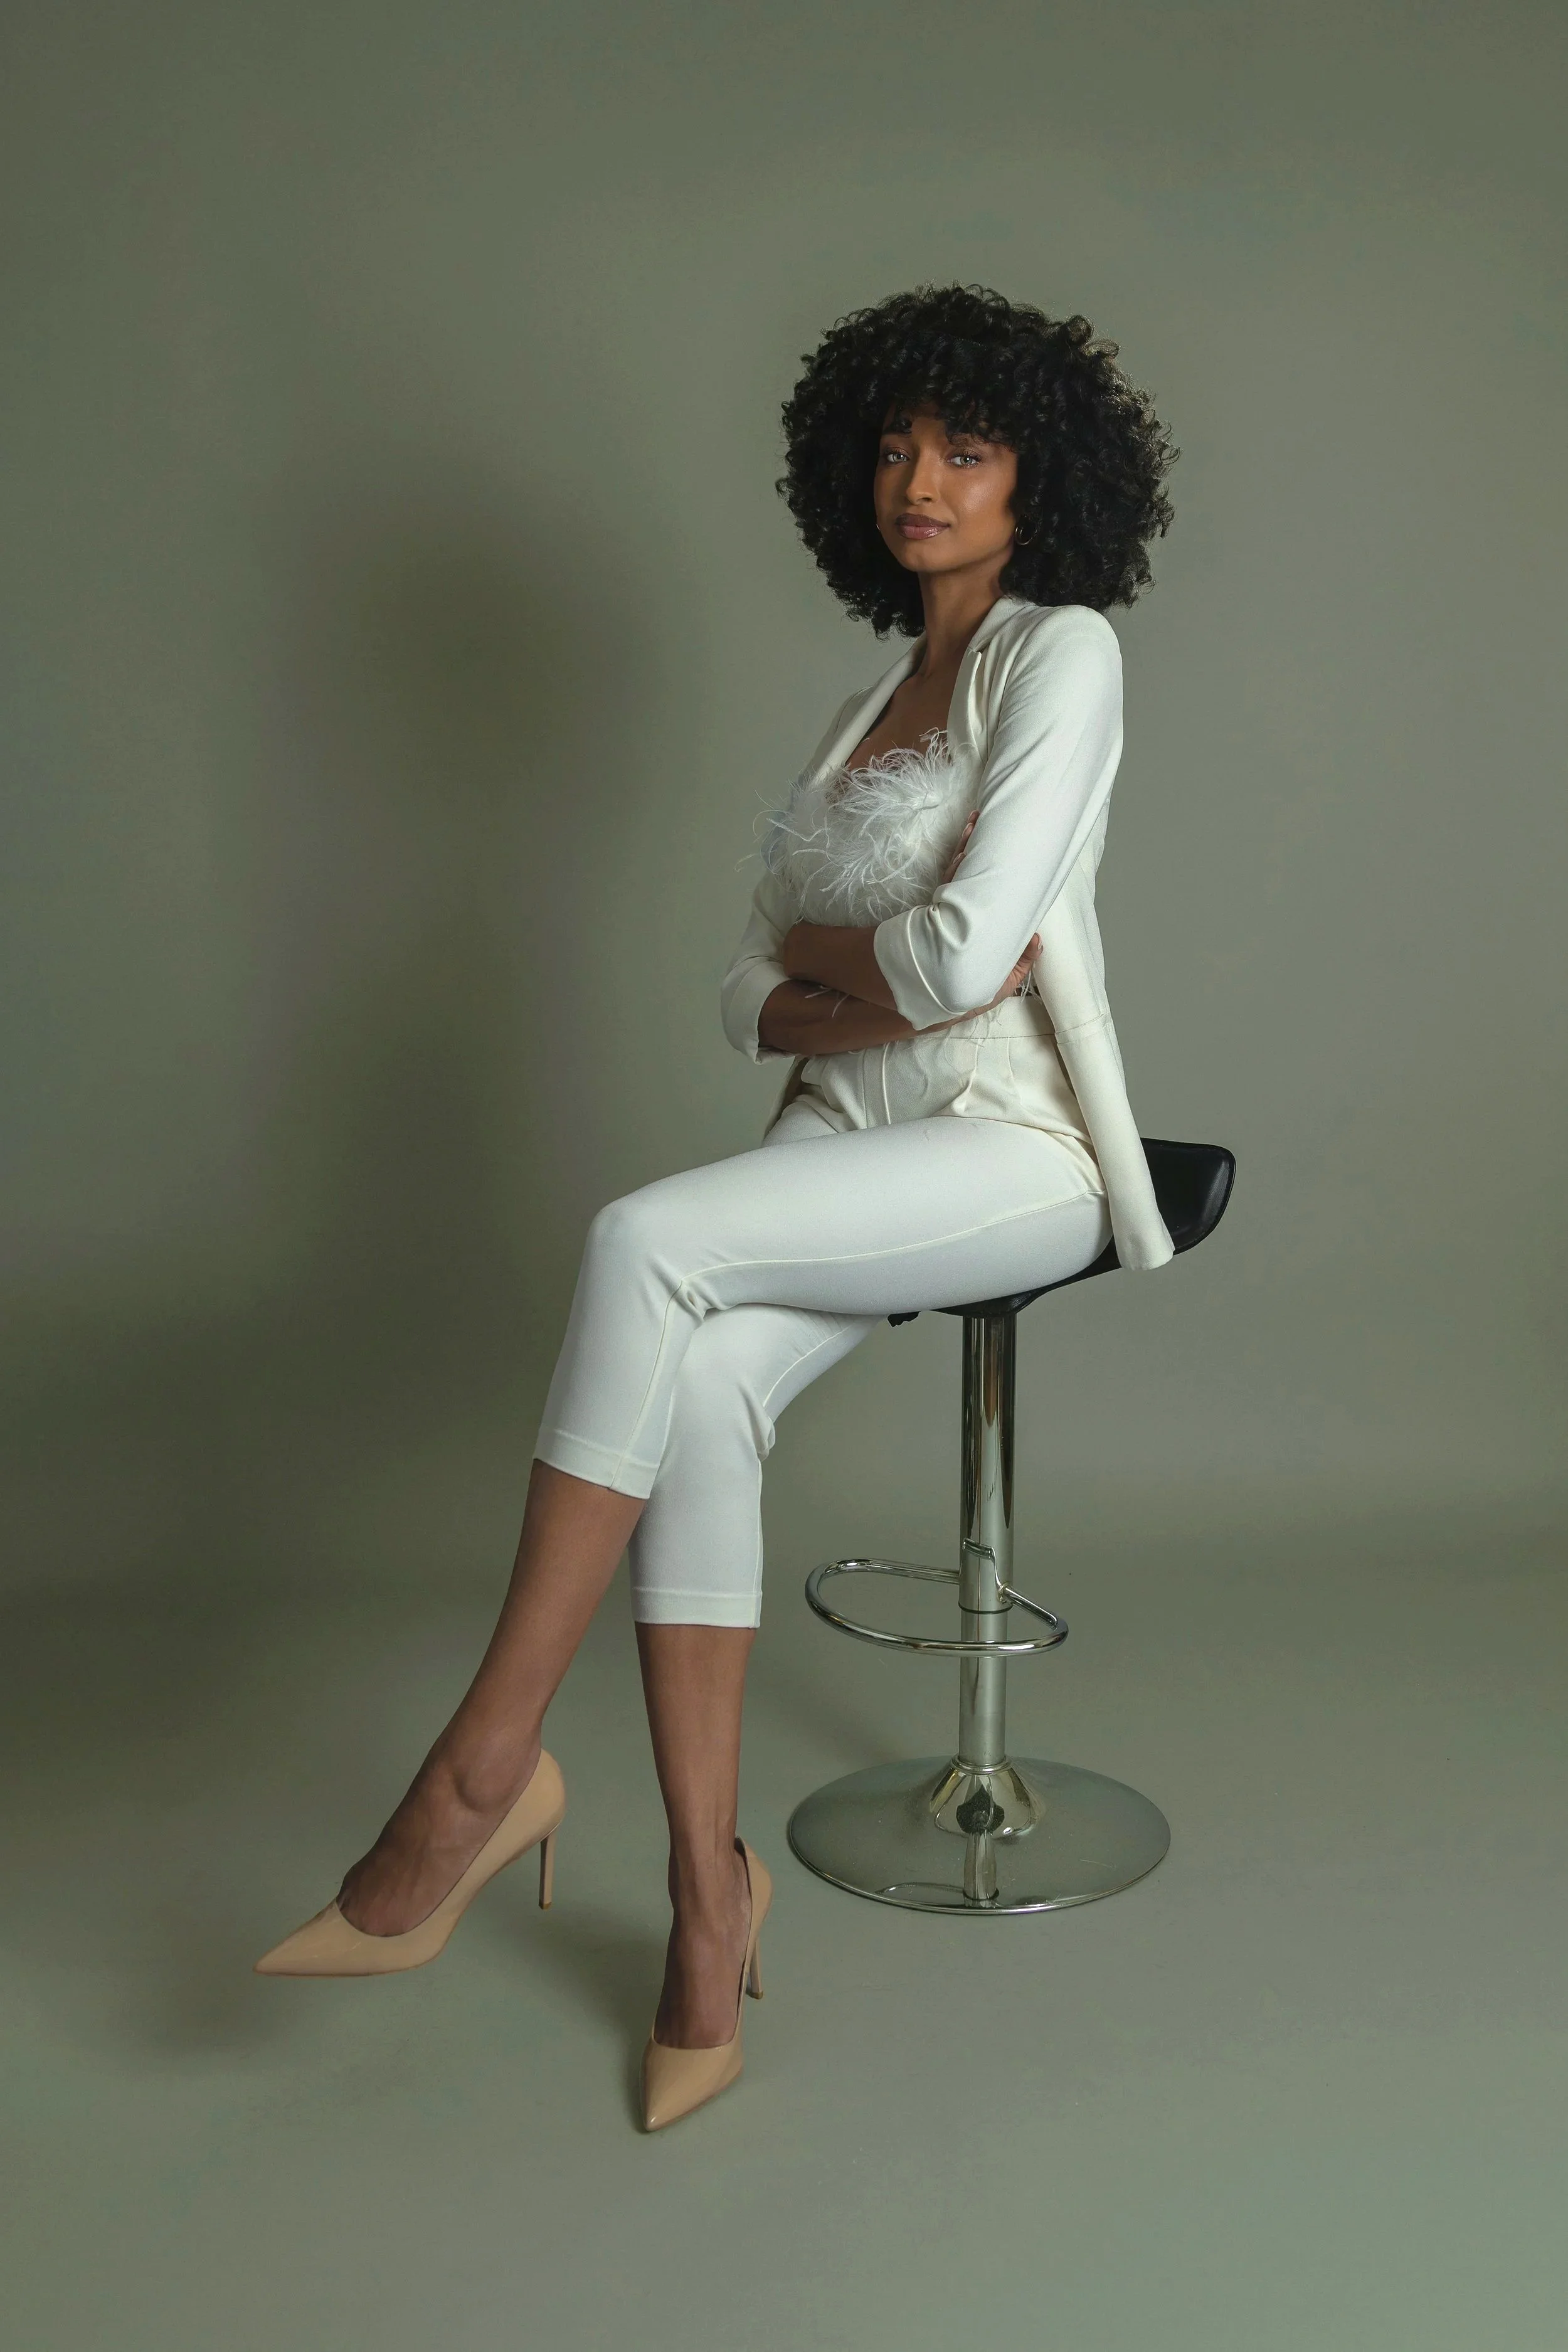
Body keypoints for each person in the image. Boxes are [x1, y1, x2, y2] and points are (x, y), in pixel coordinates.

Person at [254, 283, 1180, 2132]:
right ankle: (703, 1898)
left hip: (1008, 1151)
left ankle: (479, 1770)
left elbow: (967, 954)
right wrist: (873, 973)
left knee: (636, 1240)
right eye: (895, 444)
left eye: (965, 448)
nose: (918, 477)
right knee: (692, 1392)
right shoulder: (868, 703)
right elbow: (745, 988)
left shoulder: (1056, 657)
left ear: (1038, 480)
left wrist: (866, 965)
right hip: (844, 1135)